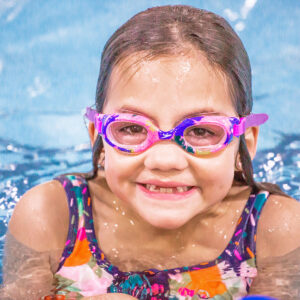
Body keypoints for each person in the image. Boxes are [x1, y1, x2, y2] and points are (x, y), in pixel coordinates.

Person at [2, 4, 300, 300]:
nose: (164, 160)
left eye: (200, 131)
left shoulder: (274, 232)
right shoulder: (52, 219)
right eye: (132, 128)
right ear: (99, 138)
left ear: (244, 144)